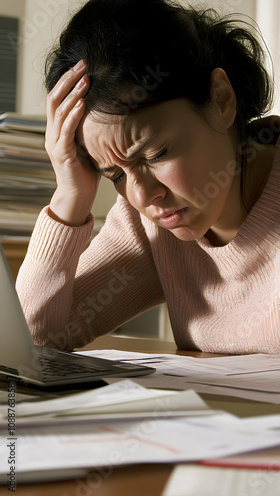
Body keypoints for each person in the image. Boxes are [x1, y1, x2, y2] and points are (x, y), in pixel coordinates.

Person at [16, 0, 280, 354]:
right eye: (113, 175)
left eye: (155, 154)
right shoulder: (150, 226)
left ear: (221, 99)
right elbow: (32, 343)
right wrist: (69, 195)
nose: (142, 196)